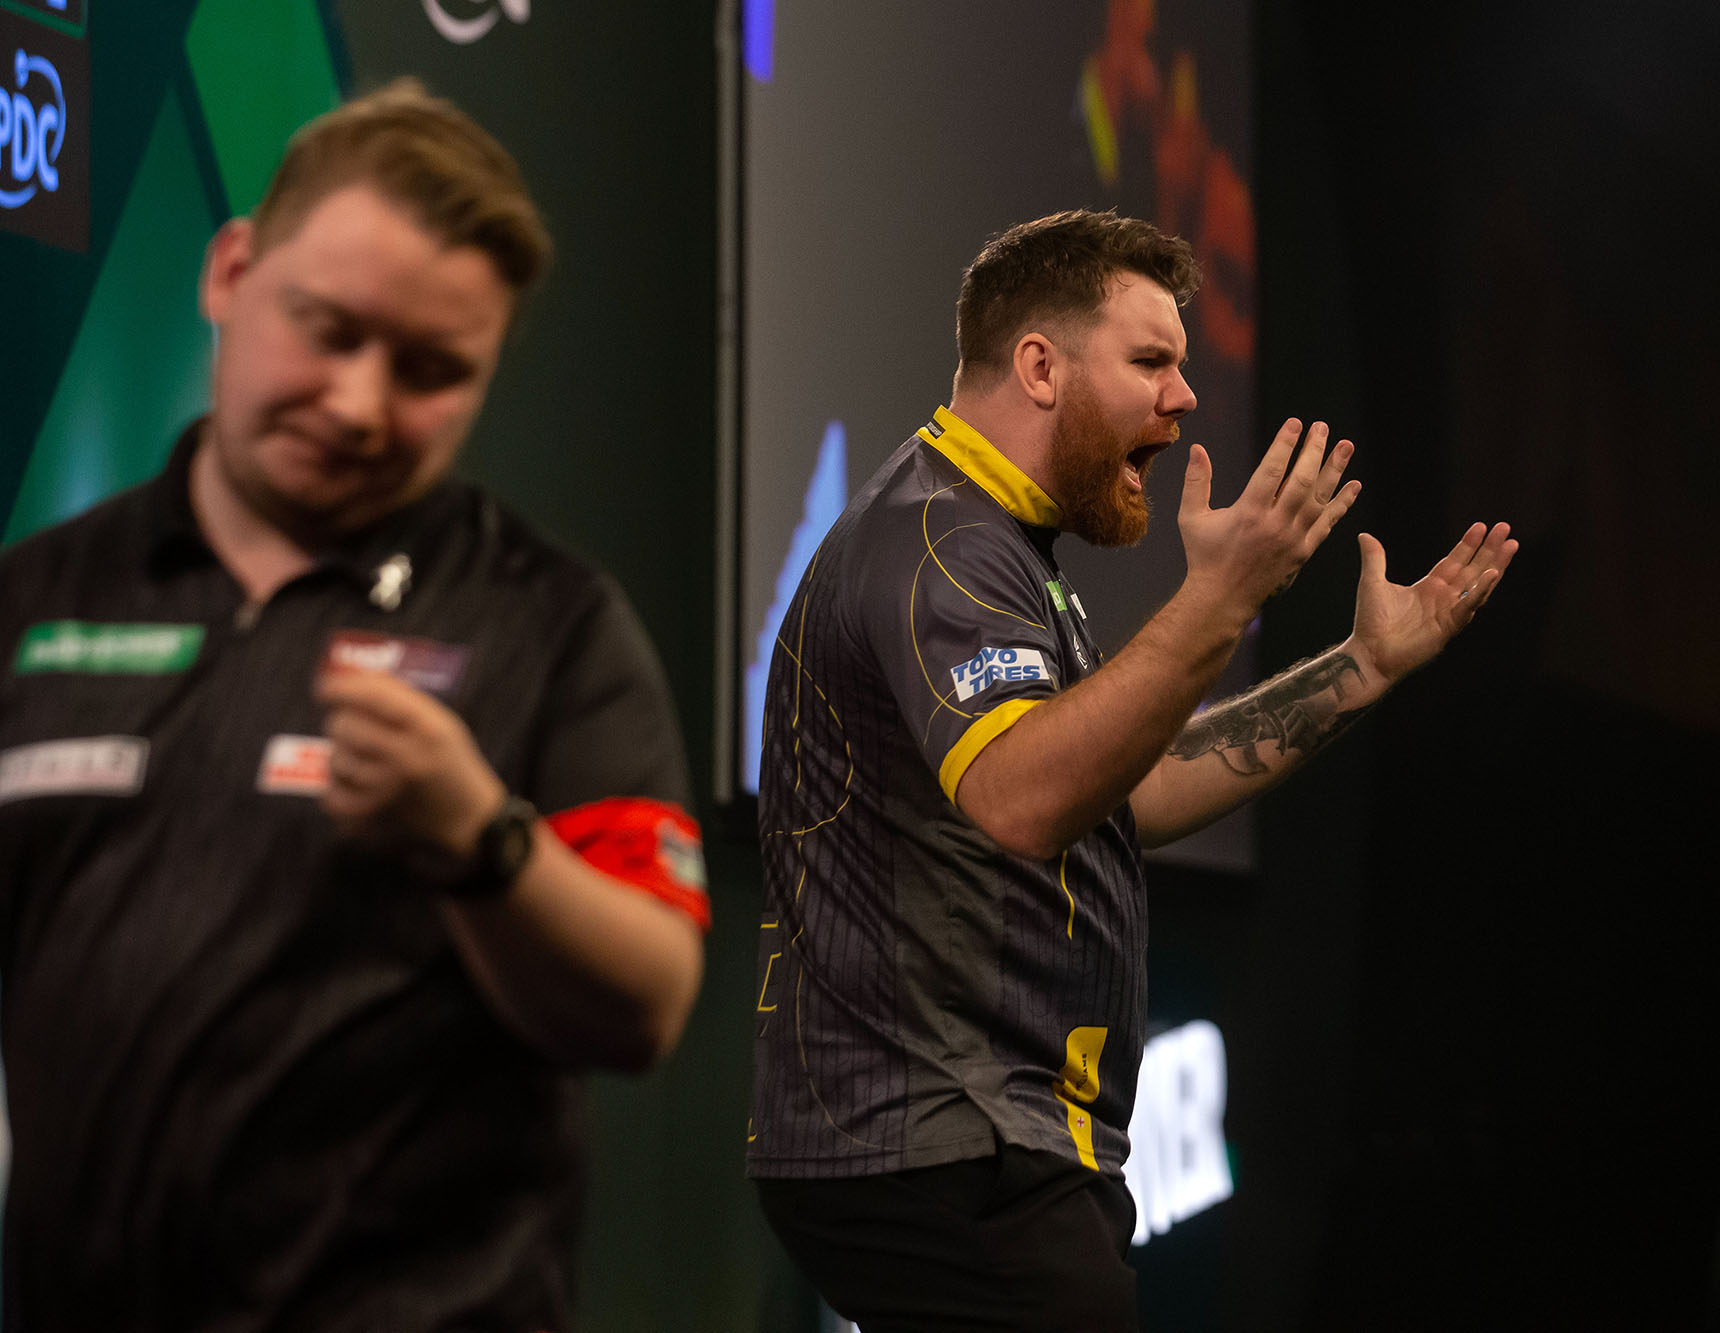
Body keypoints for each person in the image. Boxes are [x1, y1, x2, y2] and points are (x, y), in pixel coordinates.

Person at [0, 81, 709, 1331]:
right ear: (230, 273)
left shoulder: (547, 620)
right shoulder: (39, 596)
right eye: (326, 330)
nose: (359, 404)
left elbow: (648, 1000)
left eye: (432, 371)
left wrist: (480, 841)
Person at [748, 209, 1516, 1329]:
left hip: (982, 1143)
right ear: (1040, 367)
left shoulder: (998, 545)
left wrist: (1357, 670)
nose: (1185, 395)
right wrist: (1222, 597)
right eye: (1151, 360)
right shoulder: (938, 542)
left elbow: (1130, 792)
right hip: (945, 1144)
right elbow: (1024, 797)